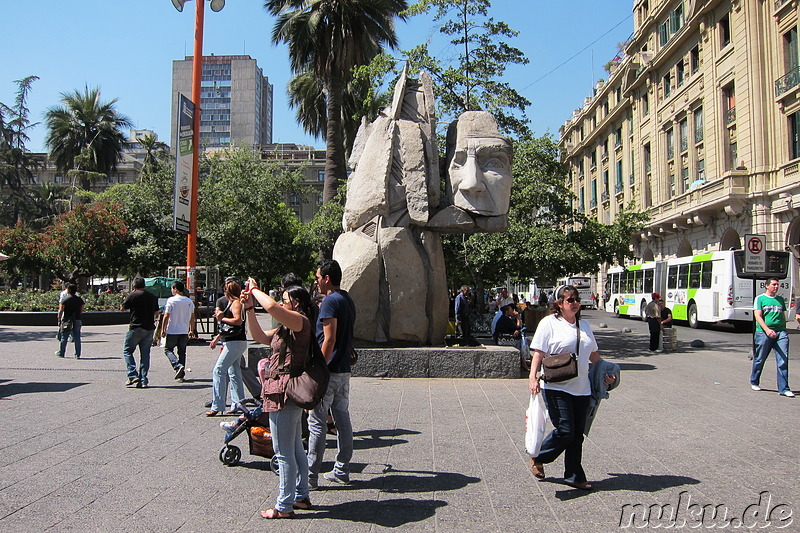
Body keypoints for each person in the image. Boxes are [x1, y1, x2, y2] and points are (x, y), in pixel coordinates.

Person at [529, 285, 616, 490]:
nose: (575, 303)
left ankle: (574, 476)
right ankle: (539, 456)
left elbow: (593, 355)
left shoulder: (584, 325)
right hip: (556, 386)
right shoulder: (549, 323)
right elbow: (538, 353)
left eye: (576, 299)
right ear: (559, 304)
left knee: (577, 435)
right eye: (570, 300)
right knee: (566, 431)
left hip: (582, 388)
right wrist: (532, 378)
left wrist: (606, 373)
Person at [244, 282, 315, 519]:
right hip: (279, 391)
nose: (281, 303)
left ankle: (284, 506)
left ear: (295, 303)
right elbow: (259, 336)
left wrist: (254, 290)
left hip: (285, 393)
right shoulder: (286, 328)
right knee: (294, 448)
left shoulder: (300, 322)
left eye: (285, 300)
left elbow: (272, 306)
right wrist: (249, 309)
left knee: (283, 452)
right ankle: (301, 496)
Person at [307, 259, 356, 489]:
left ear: (327, 278)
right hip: (344, 369)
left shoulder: (329, 302)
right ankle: (342, 469)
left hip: (330, 370)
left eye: (318, 277)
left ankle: (310, 476)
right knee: (342, 418)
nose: (316, 282)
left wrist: (320, 368)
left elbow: (329, 338)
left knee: (316, 421)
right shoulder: (347, 299)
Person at [207, 278, 247, 416]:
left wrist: (221, 318)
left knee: (219, 370)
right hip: (235, 341)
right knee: (234, 372)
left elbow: (237, 321)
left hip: (234, 342)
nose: (224, 291)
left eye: (225, 289)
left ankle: (217, 405)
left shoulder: (235, 303)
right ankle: (239, 403)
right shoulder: (233, 302)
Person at [750, 278, 794, 397]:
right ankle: (754, 381)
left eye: (777, 285)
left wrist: (784, 330)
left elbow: (782, 316)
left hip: (780, 333)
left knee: (783, 360)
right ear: (767, 286)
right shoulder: (760, 299)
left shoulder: (780, 300)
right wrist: (767, 330)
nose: (776, 287)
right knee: (760, 359)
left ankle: (784, 388)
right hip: (763, 333)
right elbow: (758, 316)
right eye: (773, 285)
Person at [121, 277, 160, 388]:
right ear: (144, 285)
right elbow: (156, 311)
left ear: (134, 286)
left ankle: (132, 374)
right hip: (149, 328)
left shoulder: (133, 295)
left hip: (136, 327)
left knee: (127, 351)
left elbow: (123, 308)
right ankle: (143, 380)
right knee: (145, 354)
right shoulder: (152, 297)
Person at [160, 280, 195, 382]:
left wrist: (163, 329)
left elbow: (166, 316)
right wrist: (191, 329)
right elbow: (193, 317)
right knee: (182, 352)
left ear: (175, 289)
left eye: (172, 288)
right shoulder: (189, 301)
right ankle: (181, 374)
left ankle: (177, 365)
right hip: (184, 330)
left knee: (168, 349)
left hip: (172, 330)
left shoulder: (171, 300)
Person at [56, 283, 84, 359]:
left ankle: (62, 353)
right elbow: (81, 310)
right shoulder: (80, 300)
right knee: (77, 337)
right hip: (77, 319)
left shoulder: (65, 300)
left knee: (64, 337)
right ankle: (77, 354)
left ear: (69, 290)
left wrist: (59, 320)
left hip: (67, 319)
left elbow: (61, 311)